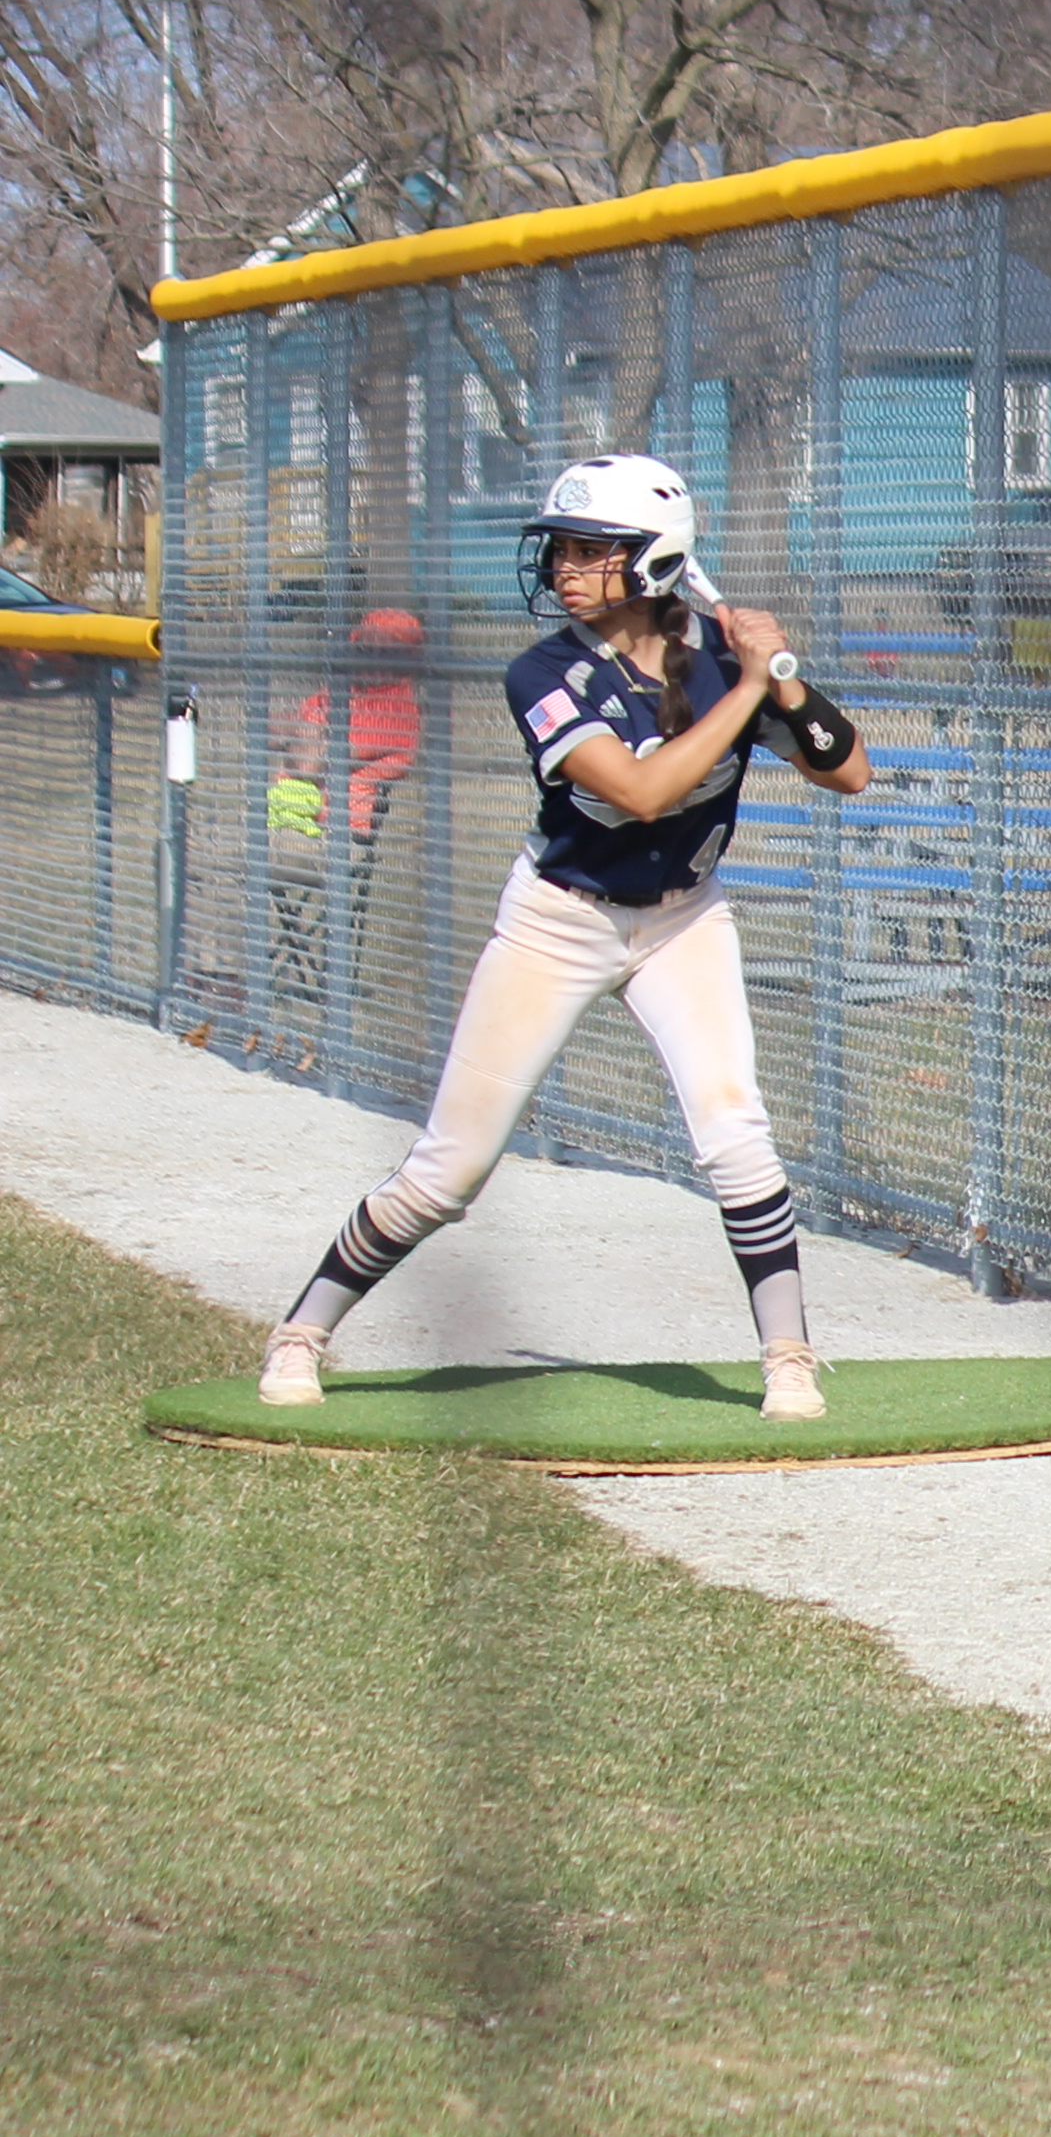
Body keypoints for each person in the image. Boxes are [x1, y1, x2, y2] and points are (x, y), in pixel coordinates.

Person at [255, 458, 875, 1420]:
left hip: (683, 917)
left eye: (596, 552)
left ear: (656, 564)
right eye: (563, 548)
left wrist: (781, 683)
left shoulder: (718, 653)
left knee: (736, 1134)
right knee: (450, 1171)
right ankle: (303, 1332)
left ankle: (789, 1357)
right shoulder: (543, 670)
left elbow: (850, 773)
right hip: (560, 918)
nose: (566, 568)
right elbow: (640, 793)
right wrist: (753, 691)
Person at [266, 604, 430, 1008]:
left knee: (228, 857)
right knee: (200, 852)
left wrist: (300, 733)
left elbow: (308, 763)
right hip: (287, 825)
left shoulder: (397, 711)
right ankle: (215, 978)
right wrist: (305, 733)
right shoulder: (335, 694)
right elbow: (269, 728)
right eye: (365, 650)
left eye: (387, 655)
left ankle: (231, 979)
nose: (372, 663)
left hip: (335, 842)